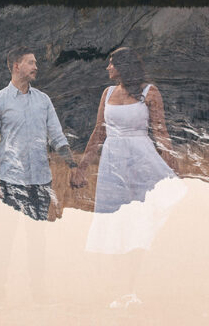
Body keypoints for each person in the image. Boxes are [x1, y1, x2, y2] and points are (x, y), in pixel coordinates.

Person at [71, 47, 185, 307]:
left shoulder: (149, 92)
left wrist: (173, 170)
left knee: (139, 223)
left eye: (112, 63)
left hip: (142, 162)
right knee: (115, 224)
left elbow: (161, 133)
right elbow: (99, 132)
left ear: (124, 66)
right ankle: (120, 288)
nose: (108, 68)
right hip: (113, 164)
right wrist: (83, 166)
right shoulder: (107, 93)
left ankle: (131, 289)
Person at [0, 46, 79, 220]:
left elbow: (57, 137)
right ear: (16, 66)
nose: (36, 67)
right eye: (31, 62)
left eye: (36, 62)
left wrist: (72, 166)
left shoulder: (43, 100)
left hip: (41, 181)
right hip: (10, 182)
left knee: (37, 237)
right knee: (6, 236)